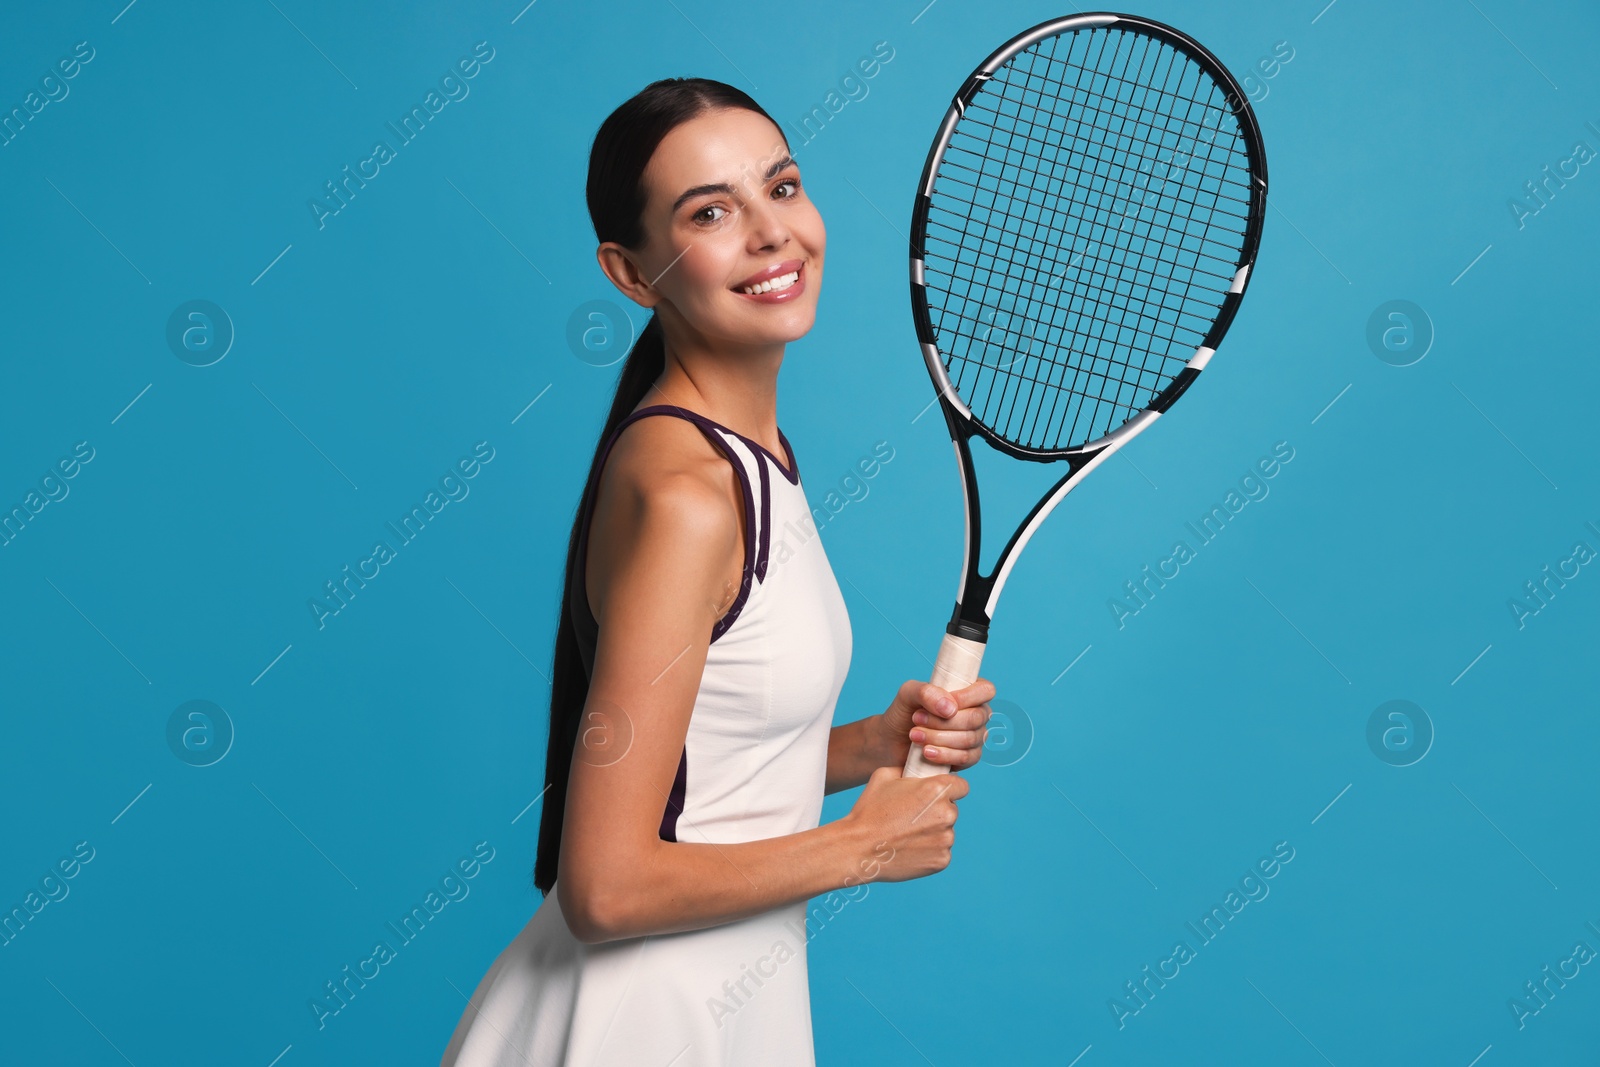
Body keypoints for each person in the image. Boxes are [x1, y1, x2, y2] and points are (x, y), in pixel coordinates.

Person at [440, 76, 995, 1067]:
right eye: (709, 212)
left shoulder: (749, 454)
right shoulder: (691, 495)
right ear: (630, 271)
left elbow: (693, 774)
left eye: (781, 188)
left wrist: (870, 742)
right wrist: (861, 846)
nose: (772, 232)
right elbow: (603, 888)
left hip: (719, 1011)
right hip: (635, 1024)